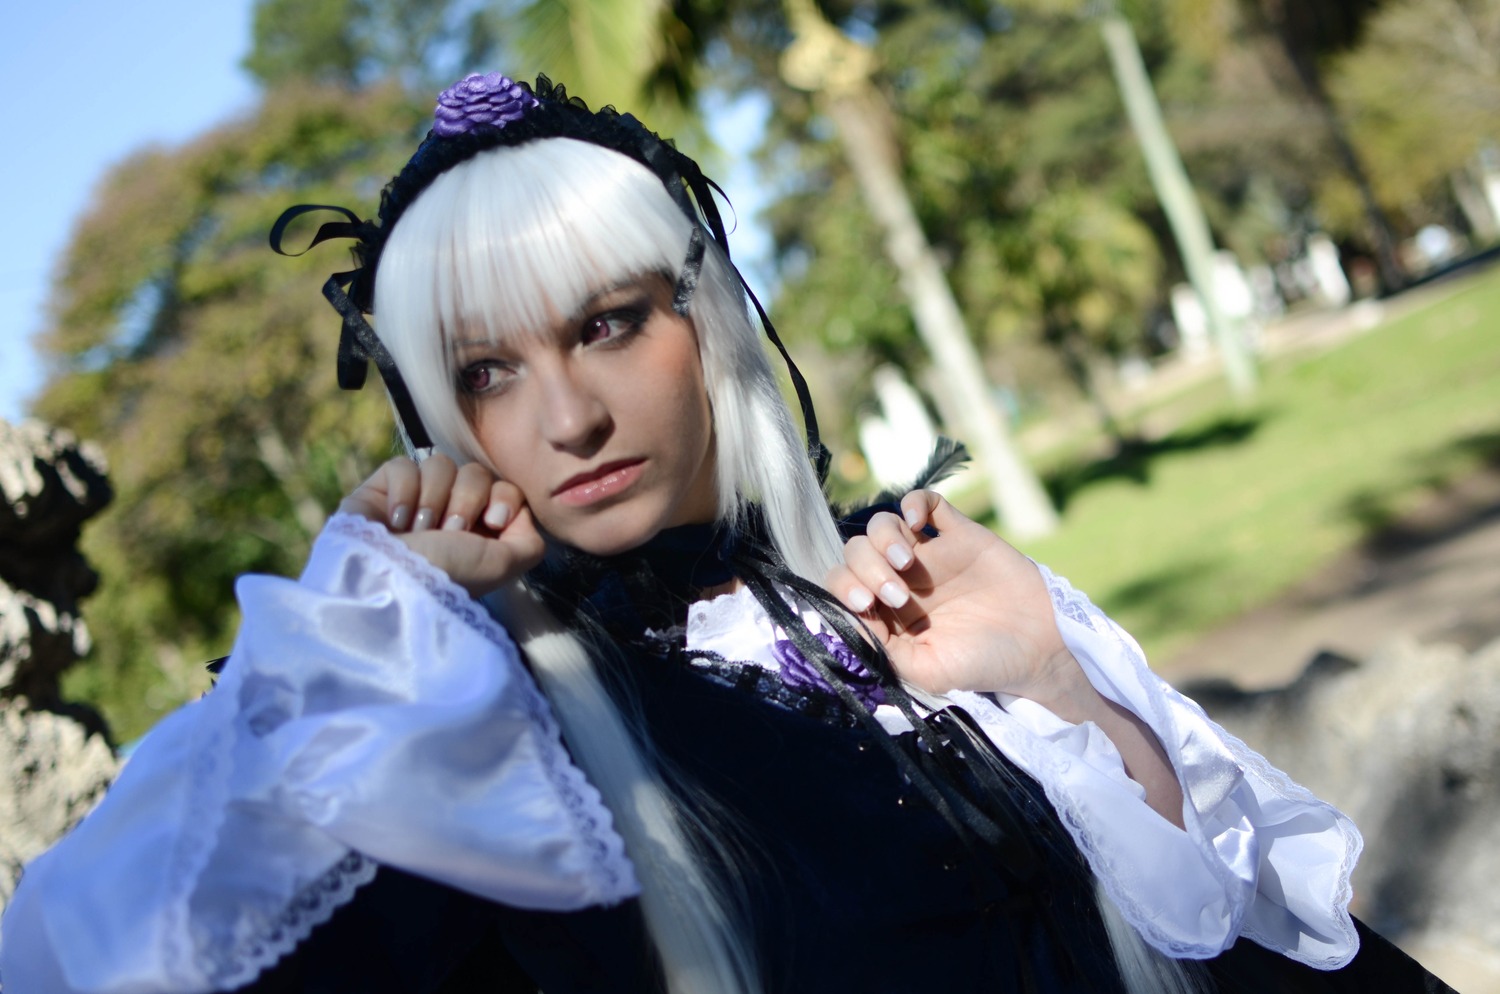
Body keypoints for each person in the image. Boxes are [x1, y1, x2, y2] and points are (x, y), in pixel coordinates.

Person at [0, 73, 1452, 994]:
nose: (564, 415)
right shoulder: (466, 727)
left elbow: (1241, 937)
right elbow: (110, 950)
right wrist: (373, 639)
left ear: (706, 328)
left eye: (607, 325)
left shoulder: (905, 566)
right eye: (488, 372)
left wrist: (1056, 686)